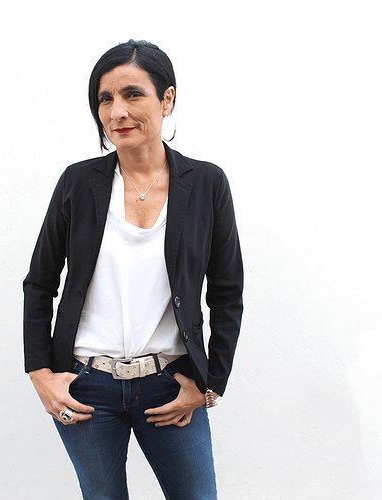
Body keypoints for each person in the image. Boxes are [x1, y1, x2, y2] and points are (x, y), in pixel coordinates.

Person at [23, 39, 244, 500]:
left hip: (170, 385)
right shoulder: (78, 182)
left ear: (167, 99)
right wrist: (40, 374)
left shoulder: (206, 183)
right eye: (105, 99)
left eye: (132, 94)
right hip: (85, 387)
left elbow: (226, 293)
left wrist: (210, 385)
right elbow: (40, 282)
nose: (117, 112)